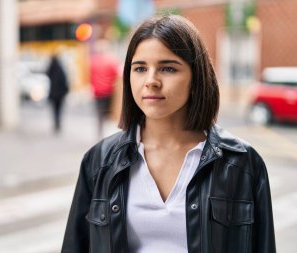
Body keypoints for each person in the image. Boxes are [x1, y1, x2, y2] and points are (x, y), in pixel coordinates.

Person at [62, 15, 276, 253]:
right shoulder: (99, 161)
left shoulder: (243, 163)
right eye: (140, 68)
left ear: (196, 77)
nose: (151, 81)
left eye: (167, 68)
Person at [89, 39, 120, 139]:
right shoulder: (111, 59)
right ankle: (111, 135)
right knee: (110, 113)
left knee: (99, 114)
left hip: (97, 92)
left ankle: (100, 133)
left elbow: (90, 75)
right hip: (109, 91)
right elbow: (117, 73)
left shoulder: (93, 60)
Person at [46, 54, 68, 133]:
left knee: (54, 109)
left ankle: (56, 122)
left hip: (53, 94)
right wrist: (65, 91)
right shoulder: (60, 69)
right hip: (60, 94)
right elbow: (64, 81)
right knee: (59, 109)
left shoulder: (51, 69)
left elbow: (47, 74)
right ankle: (58, 122)